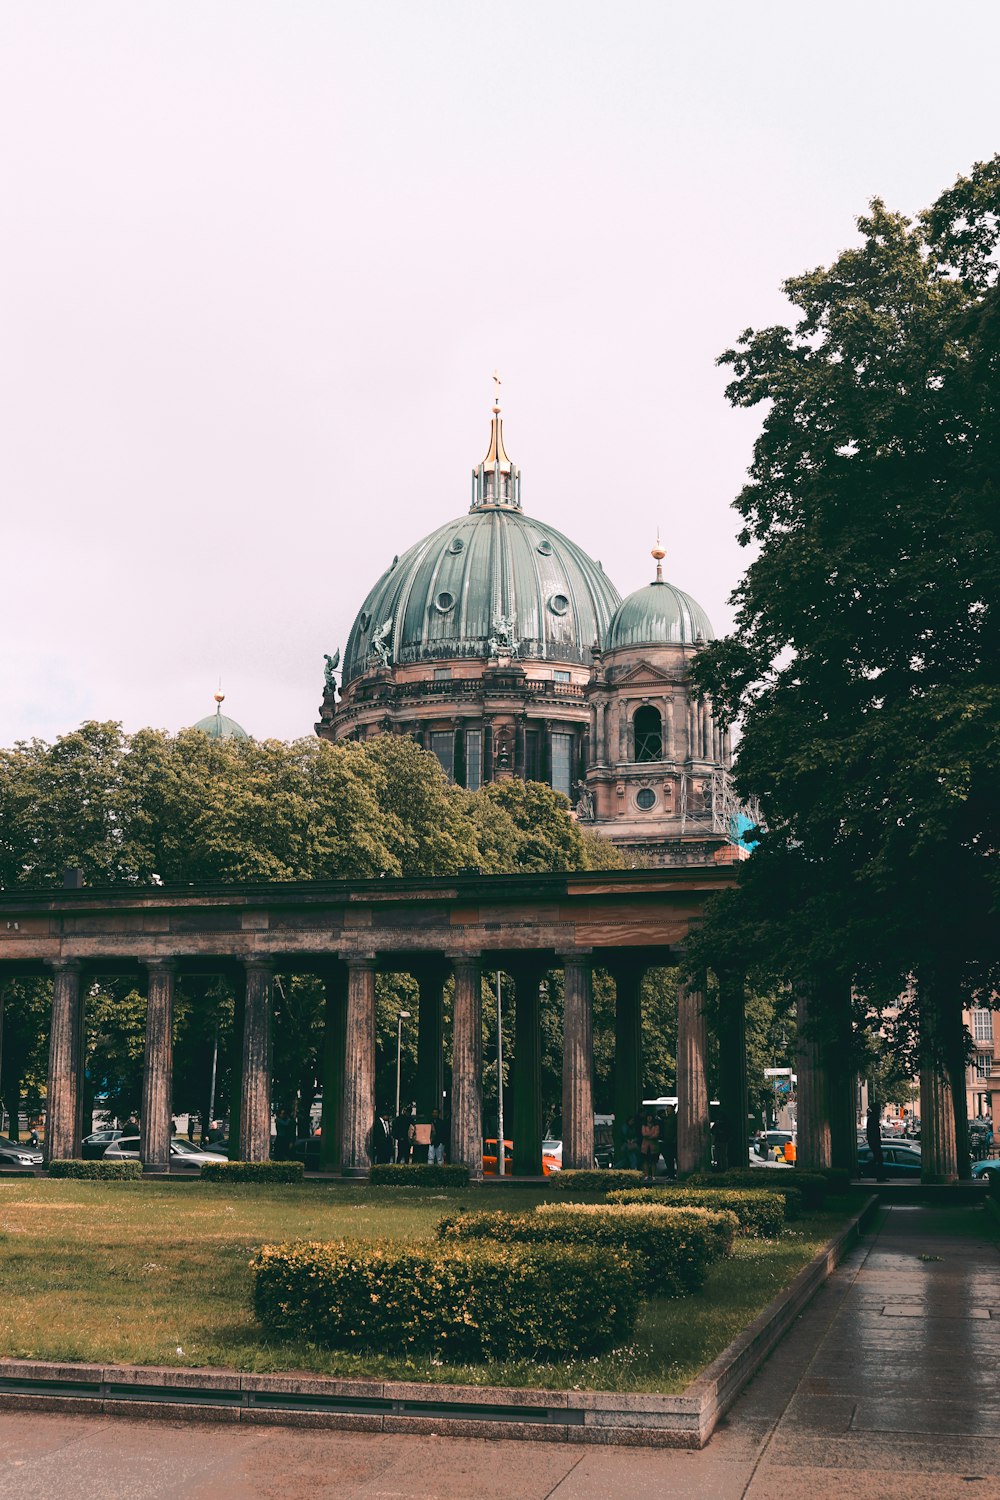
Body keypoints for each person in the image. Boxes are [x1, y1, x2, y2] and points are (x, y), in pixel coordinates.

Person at [640, 1110, 661, 1182]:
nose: (649, 1118)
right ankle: (646, 1175)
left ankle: (653, 1175)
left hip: (654, 1146)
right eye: (648, 1117)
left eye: (650, 1117)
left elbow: (656, 1134)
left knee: (653, 1161)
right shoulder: (644, 1125)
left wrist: (649, 1136)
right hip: (645, 1146)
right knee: (645, 1161)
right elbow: (643, 1134)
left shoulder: (656, 1126)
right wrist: (651, 1135)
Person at [866, 1104, 885, 1181]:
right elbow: (874, 1132)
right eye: (879, 1109)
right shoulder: (873, 1119)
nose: (880, 1111)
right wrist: (878, 1140)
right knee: (879, 1159)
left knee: (877, 1159)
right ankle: (880, 1177)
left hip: (873, 1141)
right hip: (874, 1142)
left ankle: (880, 1177)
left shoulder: (872, 1118)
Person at [660, 1104, 678, 1179]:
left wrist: (675, 1138)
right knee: (668, 1159)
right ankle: (671, 1174)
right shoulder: (665, 1118)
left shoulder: (675, 1118)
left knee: (675, 1158)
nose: (667, 1110)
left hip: (673, 1141)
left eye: (669, 1109)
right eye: (667, 1109)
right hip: (666, 1141)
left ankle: (675, 1174)